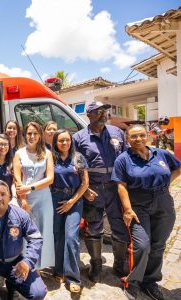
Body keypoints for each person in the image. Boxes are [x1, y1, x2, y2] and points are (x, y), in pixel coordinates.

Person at [111, 124, 181, 300]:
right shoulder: (123, 159)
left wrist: (165, 185)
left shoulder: (161, 154)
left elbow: (178, 168)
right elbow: (121, 185)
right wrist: (127, 209)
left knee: (159, 245)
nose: (138, 139)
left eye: (141, 135)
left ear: (147, 136)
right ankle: (132, 282)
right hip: (138, 206)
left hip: (163, 203)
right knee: (142, 245)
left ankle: (150, 281)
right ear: (127, 139)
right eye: (133, 136)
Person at [73, 101, 129, 283]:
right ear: (88, 114)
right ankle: (96, 266)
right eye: (98, 111)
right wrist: (84, 189)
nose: (103, 114)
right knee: (93, 228)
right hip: (93, 190)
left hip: (115, 188)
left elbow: (128, 159)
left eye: (104, 111)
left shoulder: (117, 133)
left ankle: (120, 266)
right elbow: (75, 167)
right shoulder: (79, 137)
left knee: (119, 227)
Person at [51, 129, 89, 293]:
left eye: (67, 140)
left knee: (71, 237)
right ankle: (59, 270)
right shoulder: (51, 157)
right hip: (54, 199)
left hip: (74, 200)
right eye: (61, 141)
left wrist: (72, 201)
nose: (64, 143)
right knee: (58, 236)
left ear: (71, 141)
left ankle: (73, 277)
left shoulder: (78, 158)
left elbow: (85, 183)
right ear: (55, 143)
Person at [13, 121, 55, 269]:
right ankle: (28, 266)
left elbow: (50, 179)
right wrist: (23, 200)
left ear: (40, 135)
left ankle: (41, 266)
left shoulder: (47, 153)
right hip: (25, 199)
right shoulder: (19, 153)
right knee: (26, 234)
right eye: (29, 133)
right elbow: (17, 179)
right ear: (25, 135)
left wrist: (30, 187)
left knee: (43, 232)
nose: (31, 136)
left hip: (43, 198)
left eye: (35, 133)